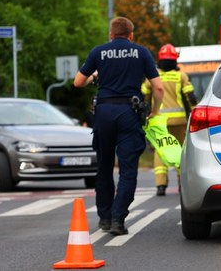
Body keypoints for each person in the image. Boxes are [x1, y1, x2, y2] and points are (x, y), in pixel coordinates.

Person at [73, 17, 164, 236]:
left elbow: (78, 82)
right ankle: (118, 219)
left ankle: (104, 217)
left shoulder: (98, 52)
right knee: (127, 169)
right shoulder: (141, 52)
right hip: (128, 114)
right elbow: (158, 88)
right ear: (131, 35)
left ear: (111, 35)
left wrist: (96, 76)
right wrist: (155, 111)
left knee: (104, 166)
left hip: (103, 114)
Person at [142, 43, 197, 196]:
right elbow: (191, 97)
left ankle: (160, 185)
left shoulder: (152, 76)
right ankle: (181, 183)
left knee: (160, 151)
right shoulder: (181, 76)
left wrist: (146, 112)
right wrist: (195, 114)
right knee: (180, 150)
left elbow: (143, 95)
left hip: (159, 121)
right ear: (174, 60)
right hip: (179, 120)